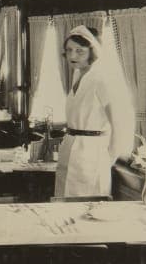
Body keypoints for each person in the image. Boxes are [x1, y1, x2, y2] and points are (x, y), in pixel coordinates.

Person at [53, 25, 135, 197]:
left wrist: (108, 158)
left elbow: (119, 124)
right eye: (68, 50)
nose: (72, 56)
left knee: (87, 204)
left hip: (91, 152)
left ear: (92, 51)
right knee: (64, 201)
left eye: (79, 51)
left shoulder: (102, 79)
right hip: (70, 147)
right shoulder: (77, 75)